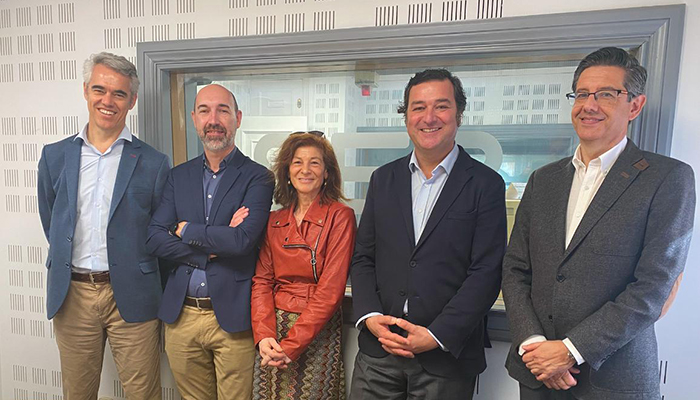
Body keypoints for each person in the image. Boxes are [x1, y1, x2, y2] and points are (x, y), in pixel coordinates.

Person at [502, 47, 696, 400]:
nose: (589, 105)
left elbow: (654, 287)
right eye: (581, 94)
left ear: (635, 106)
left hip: (613, 380)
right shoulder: (543, 180)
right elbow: (515, 269)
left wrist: (570, 350)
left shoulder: (668, 178)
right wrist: (533, 343)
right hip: (536, 373)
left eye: (606, 94)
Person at [349, 69, 507, 399]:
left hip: (446, 357)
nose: (429, 117)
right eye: (418, 107)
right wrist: (371, 316)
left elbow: (487, 272)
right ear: (406, 116)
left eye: (441, 106)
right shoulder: (383, 179)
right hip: (379, 351)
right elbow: (363, 257)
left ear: (459, 114)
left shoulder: (486, 184)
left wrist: (436, 335)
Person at [37, 52, 170, 399]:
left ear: (132, 100)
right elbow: (52, 221)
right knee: (78, 393)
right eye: (99, 89)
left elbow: (160, 233)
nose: (107, 101)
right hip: (73, 294)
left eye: (119, 93)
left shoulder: (154, 163)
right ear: (86, 90)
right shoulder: (54, 156)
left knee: (144, 393)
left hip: (134, 294)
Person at [146, 84, 273, 400]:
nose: (213, 119)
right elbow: (155, 238)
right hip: (181, 317)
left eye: (222, 110)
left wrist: (186, 229)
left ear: (237, 118)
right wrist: (212, 247)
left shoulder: (258, 177)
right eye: (204, 110)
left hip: (232, 316)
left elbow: (241, 241)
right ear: (194, 118)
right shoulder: (178, 176)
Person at [250, 131, 356, 399]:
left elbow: (330, 291)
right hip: (274, 329)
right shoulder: (274, 220)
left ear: (327, 173)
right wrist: (264, 336)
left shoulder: (341, 217)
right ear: (287, 171)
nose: (305, 170)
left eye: (314, 163)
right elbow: (262, 281)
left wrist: (292, 345)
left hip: (317, 330)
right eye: (297, 162)